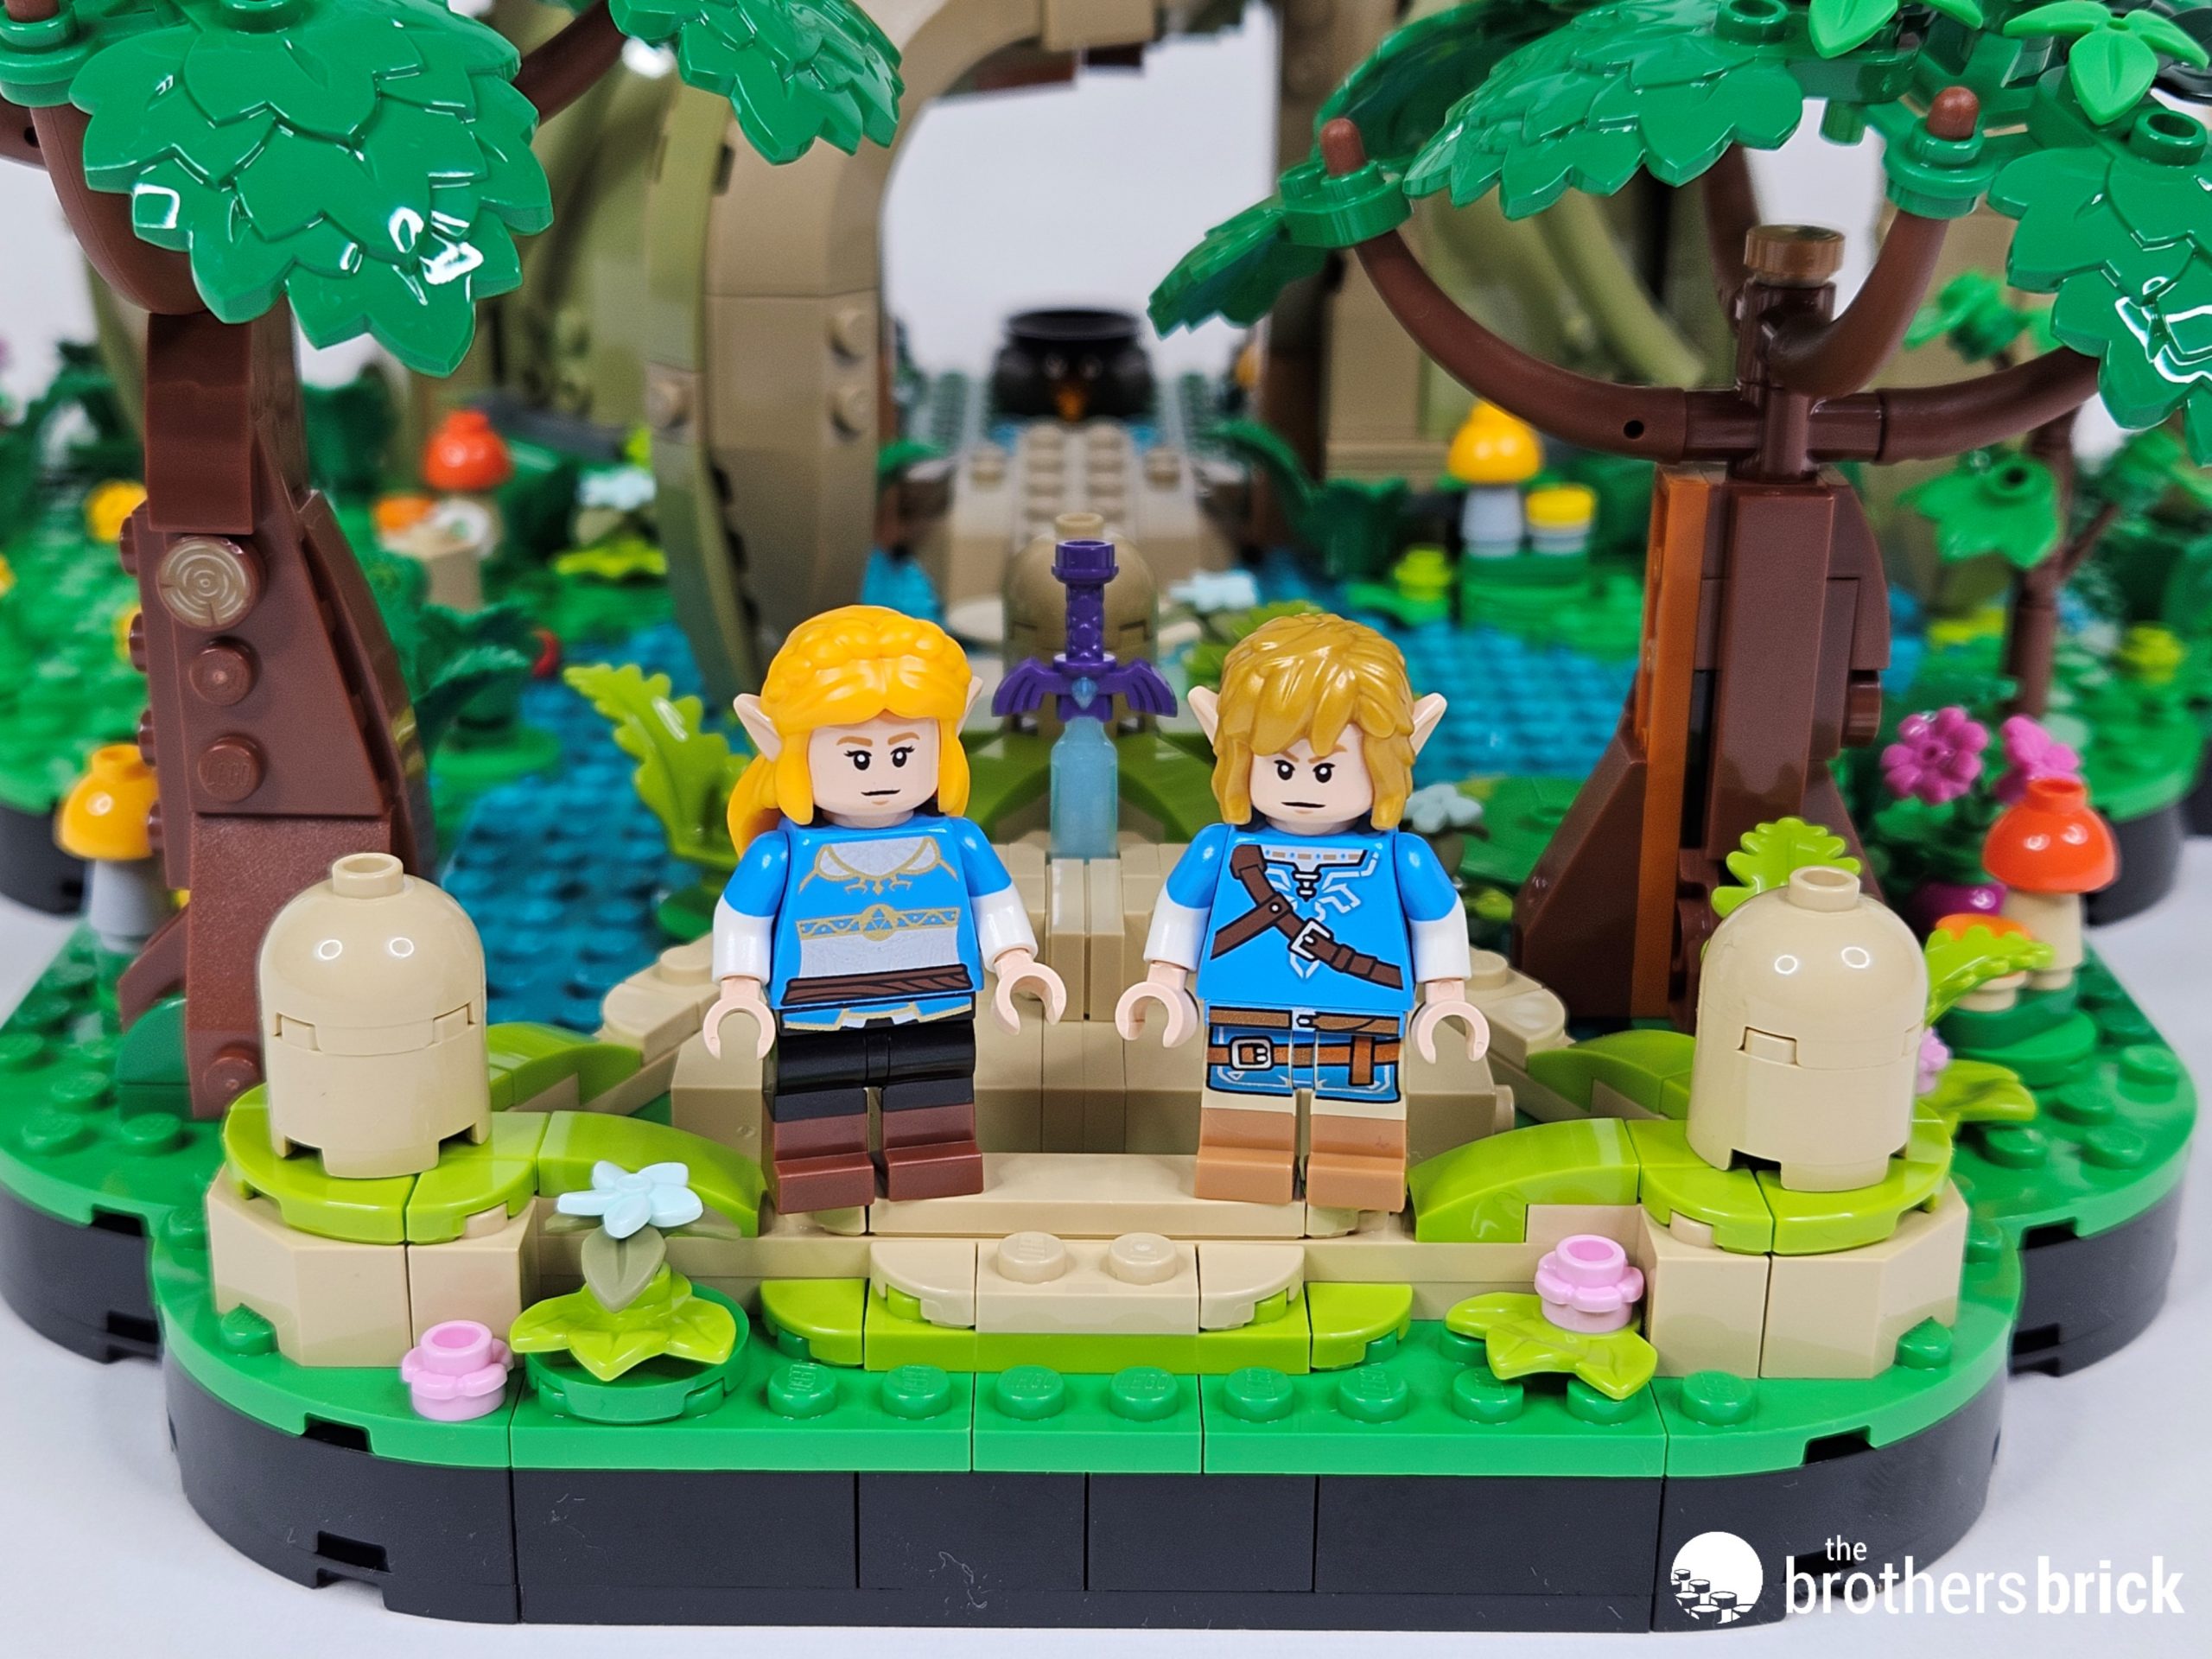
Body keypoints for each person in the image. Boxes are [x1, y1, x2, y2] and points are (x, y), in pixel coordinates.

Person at [1116, 613, 1487, 1211]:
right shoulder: (1220, 848)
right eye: (1282, 767)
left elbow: (1438, 921)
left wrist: (1445, 996)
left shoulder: (1402, 857)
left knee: (1360, 1115)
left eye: (1327, 768)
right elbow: (1182, 910)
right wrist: (1165, 982)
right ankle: (1244, 1168)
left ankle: (1356, 1176)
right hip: (1247, 1007)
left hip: (1363, 1014)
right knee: (1244, 1113)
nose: (1303, 786)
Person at [703, 607, 1065, 1211]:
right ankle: (820, 1168)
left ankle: (934, 1157)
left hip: (936, 999)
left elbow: (993, 900)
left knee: (935, 1091)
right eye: (856, 757)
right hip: (817, 1009)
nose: (881, 776)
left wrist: (1015, 961)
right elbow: (742, 918)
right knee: (817, 1098)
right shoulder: (780, 854)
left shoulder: (958, 841)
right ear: (777, 741)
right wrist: (740, 985)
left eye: (902, 755)